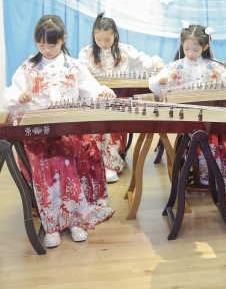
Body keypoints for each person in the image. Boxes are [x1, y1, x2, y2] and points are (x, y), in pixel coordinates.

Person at [3, 14, 116, 248]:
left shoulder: (74, 66)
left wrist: (103, 92)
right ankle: (52, 224)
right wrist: (19, 96)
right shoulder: (28, 67)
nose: (46, 49)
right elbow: (10, 94)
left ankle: (73, 220)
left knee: (65, 155)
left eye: (52, 44)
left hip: (69, 131)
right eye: (41, 44)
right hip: (38, 134)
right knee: (50, 160)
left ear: (63, 39)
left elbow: (92, 90)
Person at [149, 24, 226, 195]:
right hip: (187, 116)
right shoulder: (175, 67)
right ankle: (205, 178)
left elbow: (224, 77)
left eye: (195, 49)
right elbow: (154, 85)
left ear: (205, 47)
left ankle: (222, 180)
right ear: (182, 44)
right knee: (203, 134)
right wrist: (162, 80)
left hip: (211, 116)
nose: (190, 53)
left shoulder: (213, 66)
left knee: (224, 133)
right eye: (186, 48)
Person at [78, 12, 164, 183]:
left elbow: (145, 62)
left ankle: (110, 164)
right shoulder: (86, 53)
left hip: (119, 98)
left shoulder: (125, 51)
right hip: (95, 97)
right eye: (98, 39)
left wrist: (158, 64)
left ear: (115, 35)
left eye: (107, 40)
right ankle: (92, 164)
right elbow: (79, 76)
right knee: (91, 121)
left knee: (116, 116)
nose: (102, 44)